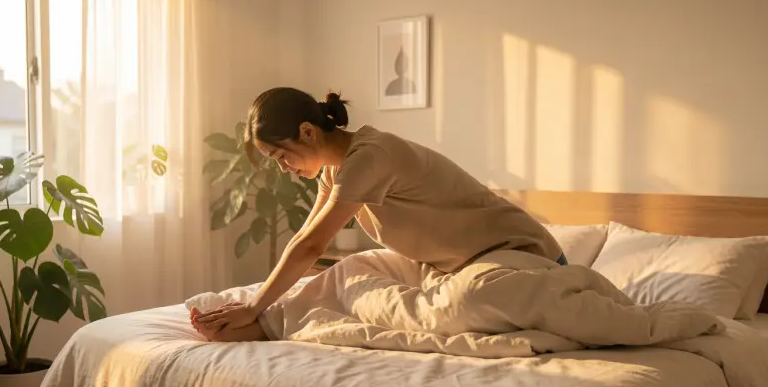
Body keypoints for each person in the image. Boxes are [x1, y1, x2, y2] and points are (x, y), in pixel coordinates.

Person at [191, 87, 566, 342]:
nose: (284, 168)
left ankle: (260, 323)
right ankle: (267, 328)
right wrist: (258, 306)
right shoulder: (334, 170)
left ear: (307, 132)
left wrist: (255, 304)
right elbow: (304, 241)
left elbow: (312, 245)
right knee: (348, 272)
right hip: (458, 265)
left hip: (522, 254)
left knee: (465, 304)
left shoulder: (371, 156)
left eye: (280, 156)